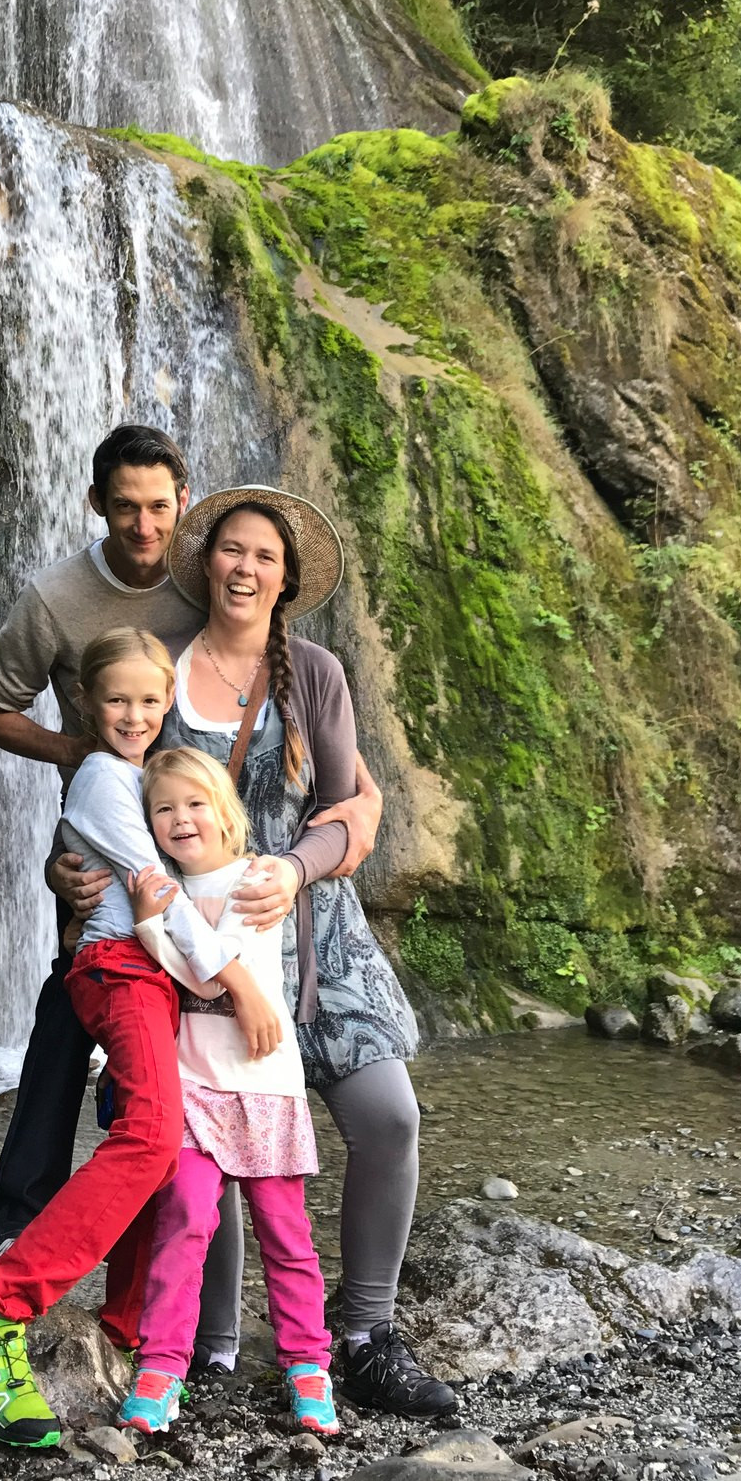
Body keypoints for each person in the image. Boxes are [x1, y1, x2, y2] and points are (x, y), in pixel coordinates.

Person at [0, 425, 381, 1255]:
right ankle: (18, 1228)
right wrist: (73, 756)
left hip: (198, 871)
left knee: (154, 1080)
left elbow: (288, 697)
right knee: (67, 1023)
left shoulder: (208, 592)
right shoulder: (55, 599)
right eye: (126, 507)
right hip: (108, 853)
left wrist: (350, 817)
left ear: (183, 508)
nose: (144, 526)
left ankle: (158, 1276)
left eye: (160, 507)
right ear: (97, 505)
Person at [0, 629, 283, 1449]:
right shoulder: (98, 776)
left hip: (154, 972)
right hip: (119, 968)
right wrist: (239, 984)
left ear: (169, 704)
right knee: (152, 1137)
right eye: (116, 700)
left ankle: (125, 1333)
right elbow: (153, 887)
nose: (133, 714)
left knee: (163, 1139)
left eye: (149, 700)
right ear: (87, 705)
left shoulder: (143, 780)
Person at [161, 486, 458, 1419]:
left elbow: (346, 812)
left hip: (315, 934)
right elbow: (131, 816)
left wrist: (293, 868)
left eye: (266, 558)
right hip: (204, 947)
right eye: (233, 550)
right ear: (208, 559)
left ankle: (364, 1331)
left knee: (390, 1117)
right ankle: (210, 1350)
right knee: (210, 1142)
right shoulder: (160, 669)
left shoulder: (315, 674)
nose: (246, 568)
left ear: (285, 582)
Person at [118, 746, 340, 1440]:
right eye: (164, 809)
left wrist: (153, 923)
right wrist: (153, 917)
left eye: (195, 804)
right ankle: (161, 1368)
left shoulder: (255, 881)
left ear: (225, 813)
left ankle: (308, 1365)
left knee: (286, 1234)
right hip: (193, 1088)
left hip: (263, 1086)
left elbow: (212, 972)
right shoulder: (161, 890)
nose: (182, 819)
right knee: (183, 1219)